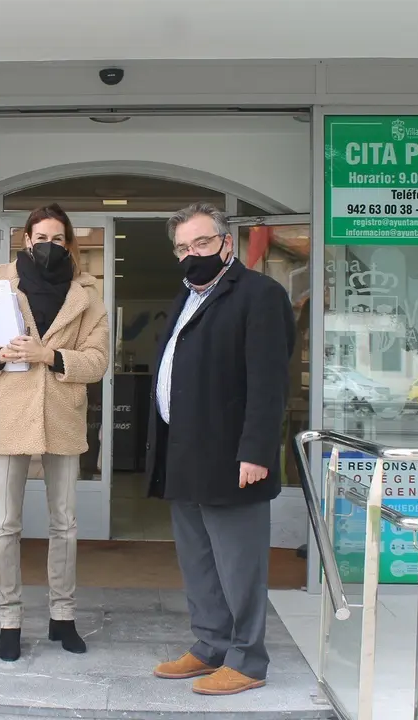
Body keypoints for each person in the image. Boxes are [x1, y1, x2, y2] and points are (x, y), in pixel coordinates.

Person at [146, 203, 296, 696]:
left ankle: (248, 659)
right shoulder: (186, 296)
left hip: (234, 458)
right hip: (184, 453)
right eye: (183, 248)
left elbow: (268, 382)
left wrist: (256, 451)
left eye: (202, 243)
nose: (193, 254)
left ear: (226, 244)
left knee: (238, 563)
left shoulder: (259, 295)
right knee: (199, 560)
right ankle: (210, 645)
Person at [0, 203, 109, 662]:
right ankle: (9, 620)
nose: (49, 245)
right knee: (6, 525)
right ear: (26, 240)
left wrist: (48, 355)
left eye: (58, 238)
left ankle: (63, 616)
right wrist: (0, 355)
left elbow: (97, 362)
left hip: (63, 415)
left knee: (65, 524)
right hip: (11, 416)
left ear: (69, 243)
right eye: (40, 237)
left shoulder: (88, 295)